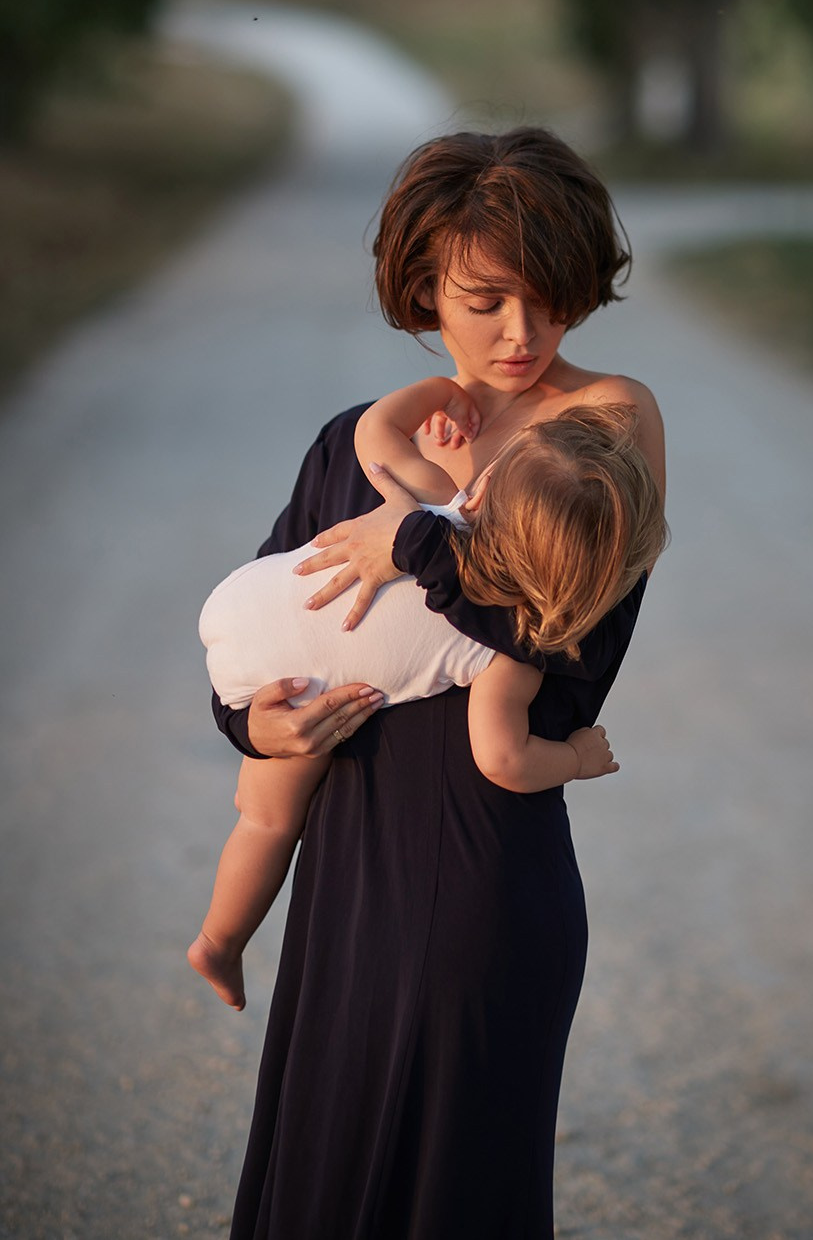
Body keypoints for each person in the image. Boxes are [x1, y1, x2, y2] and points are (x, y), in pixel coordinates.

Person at [211, 127, 666, 1240]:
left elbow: (561, 649)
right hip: (344, 869)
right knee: (322, 1182)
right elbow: (269, 627)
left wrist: (412, 539)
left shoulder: (605, 430)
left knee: (450, 1196)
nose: (522, 332)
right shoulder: (350, 444)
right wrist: (255, 726)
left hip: (483, 872)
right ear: (424, 289)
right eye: (487, 298)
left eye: (551, 299)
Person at [192, 375, 666, 1011]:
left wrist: (441, 393)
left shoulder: (436, 501)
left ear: (490, 484)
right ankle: (218, 943)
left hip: (251, 602)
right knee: (268, 819)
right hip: (296, 673)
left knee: (264, 806)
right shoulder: (508, 645)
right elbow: (502, 757)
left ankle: (219, 938)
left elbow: (375, 432)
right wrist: (578, 760)